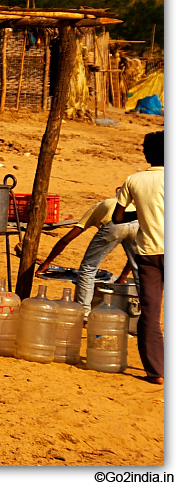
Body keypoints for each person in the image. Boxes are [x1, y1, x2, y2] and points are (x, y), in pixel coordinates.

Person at [112, 130, 164, 385]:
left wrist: (141, 215)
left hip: (149, 254)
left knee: (151, 314)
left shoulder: (134, 180)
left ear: (146, 154)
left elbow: (117, 218)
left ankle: (156, 372)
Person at [35, 192, 139, 318]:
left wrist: (47, 262)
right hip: (136, 225)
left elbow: (66, 239)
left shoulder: (97, 207)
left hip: (114, 225)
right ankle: (142, 314)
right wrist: (123, 277)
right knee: (138, 265)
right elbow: (134, 257)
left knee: (88, 270)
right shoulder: (130, 206)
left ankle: (84, 315)